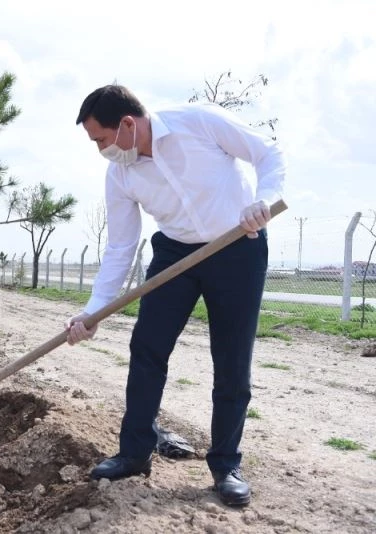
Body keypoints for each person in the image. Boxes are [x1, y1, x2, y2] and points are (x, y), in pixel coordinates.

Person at [66, 85, 286, 507]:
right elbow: (120, 247)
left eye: (101, 139)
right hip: (174, 253)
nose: (100, 151)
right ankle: (134, 453)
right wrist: (92, 311)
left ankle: (225, 465)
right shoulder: (121, 173)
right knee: (146, 347)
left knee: (231, 359)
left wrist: (264, 199)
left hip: (237, 244)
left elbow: (268, 152)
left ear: (128, 124)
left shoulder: (198, 122)